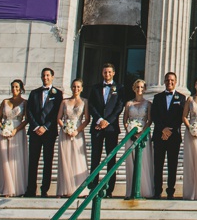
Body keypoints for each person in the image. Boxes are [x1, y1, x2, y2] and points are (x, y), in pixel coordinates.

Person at [87, 63, 125, 196]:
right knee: (95, 158)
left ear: (114, 73)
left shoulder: (120, 88)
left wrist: (107, 121)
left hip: (111, 128)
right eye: (105, 72)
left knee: (111, 158)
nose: (107, 74)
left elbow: (119, 107)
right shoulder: (95, 88)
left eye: (109, 72)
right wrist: (99, 120)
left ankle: (109, 189)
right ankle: (93, 186)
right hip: (97, 126)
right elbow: (91, 105)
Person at [25, 67, 61, 198]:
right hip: (35, 132)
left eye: (47, 75)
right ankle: (30, 189)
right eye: (43, 75)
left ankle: (44, 189)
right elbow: (29, 111)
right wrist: (36, 126)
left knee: (48, 161)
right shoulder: (34, 93)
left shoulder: (58, 94)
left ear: (52, 77)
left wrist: (45, 126)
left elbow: (57, 112)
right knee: (33, 161)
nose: (45, 78)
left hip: (49, 132)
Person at [149, 72, 186, 198]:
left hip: (174, 136)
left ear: (176, 82)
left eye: (172, 80)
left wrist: (170, 130)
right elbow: (154, 115)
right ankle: (157, 191)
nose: (169, 82)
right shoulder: (157, 97)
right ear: (164, 81)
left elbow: (181, 117)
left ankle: (171, 191)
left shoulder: (181, 98)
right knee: (158, 165)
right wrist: (162, 129)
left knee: (172, 165)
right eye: (167, 80)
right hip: (159, 135)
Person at [56, 78, 90, 197]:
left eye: (78, 87)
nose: (76, 89)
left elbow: (87, 119)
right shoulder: (64, 102)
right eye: (74, 86)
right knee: (65, 160)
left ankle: (80, 188)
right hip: (65, 133)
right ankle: (64, 189)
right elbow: (59, 118)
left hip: (78, 133)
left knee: (78, 160)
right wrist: (65, 128)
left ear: (82, 88)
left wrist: (77, 131)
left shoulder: (85, 102)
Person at [0, 80, 29, 197]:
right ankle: (3, 188)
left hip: (17, 132)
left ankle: (15, 188)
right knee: (4, 160)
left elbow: (26, 119)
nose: (14, 89)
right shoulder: (5, 101)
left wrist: (16, 129)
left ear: (21, 88)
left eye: (16, 87)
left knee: (15, 159)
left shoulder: (25, 102)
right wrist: (2, 127)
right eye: (12, 87)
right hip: (4, 132)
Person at [122, 79, 154, 199]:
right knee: (131, 163)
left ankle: (144, 190)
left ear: (145, 89)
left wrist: (141, 132)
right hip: (130, 135)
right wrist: (129, 130)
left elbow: (149, 120)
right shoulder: (129, 104)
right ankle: (131, 190)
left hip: (143, 135)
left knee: (143, 162)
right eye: (137, 87)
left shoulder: (148, 104)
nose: (139, 89)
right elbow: (125, 119)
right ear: (134, 88)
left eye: (141, 87)